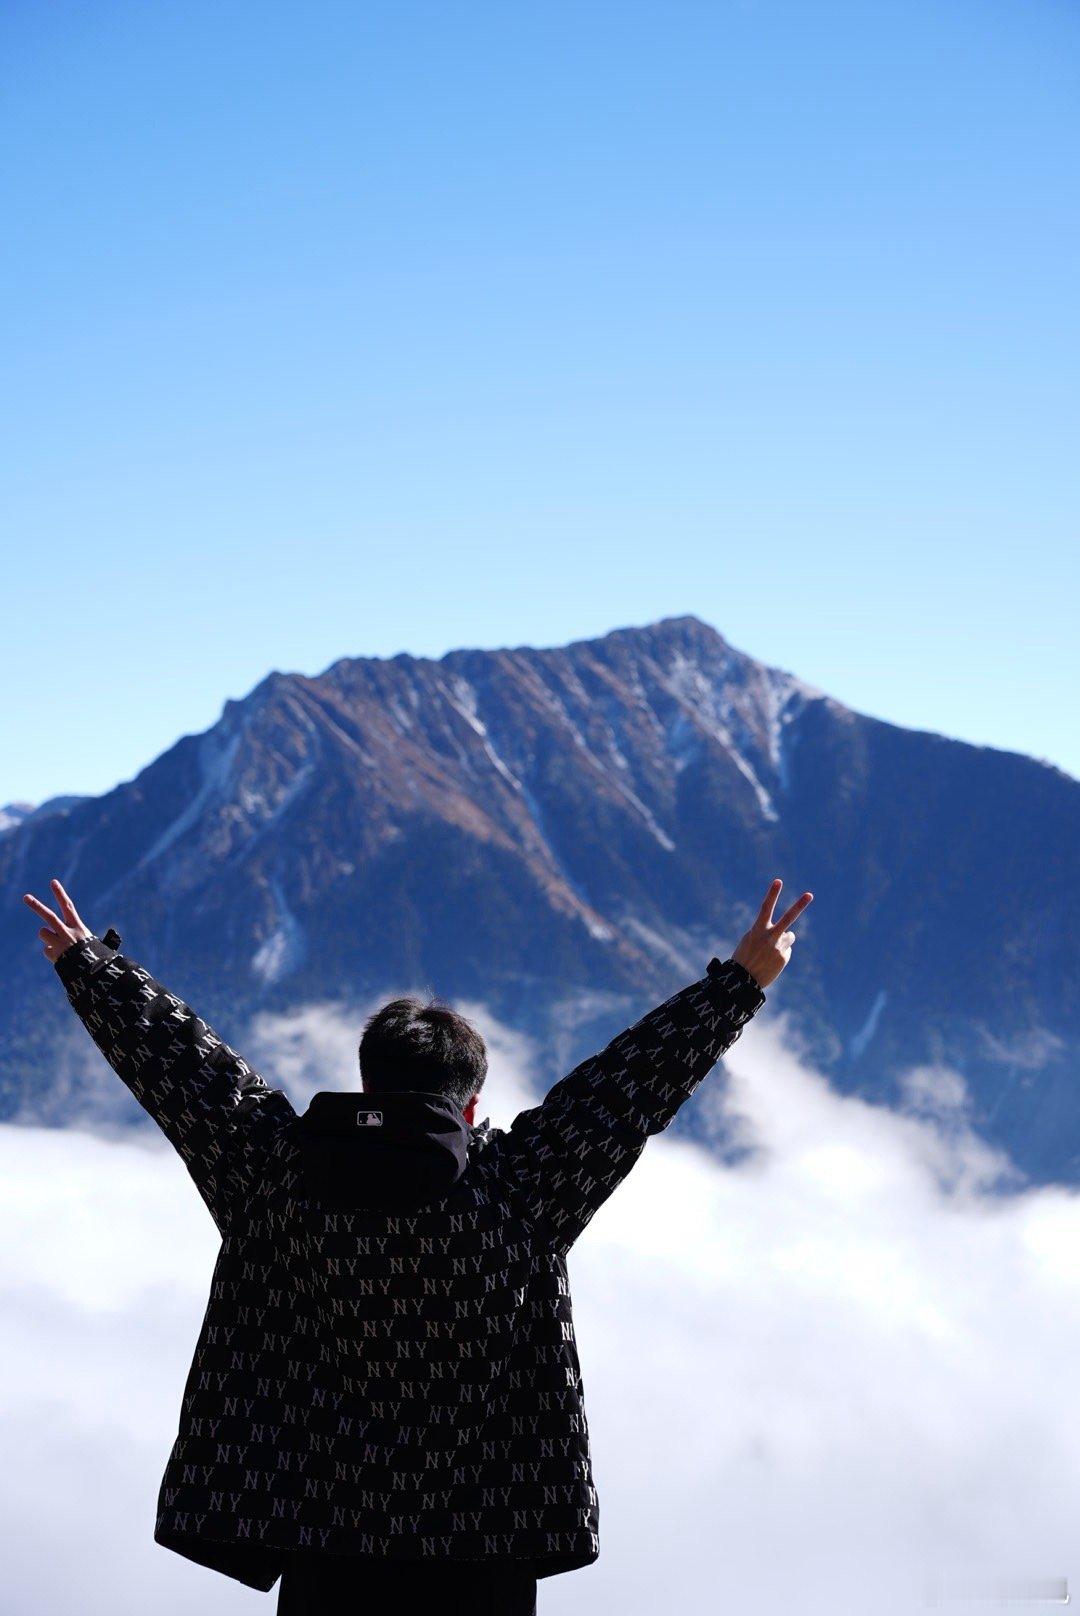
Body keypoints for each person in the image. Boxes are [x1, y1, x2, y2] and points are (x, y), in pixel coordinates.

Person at [24, 874, 811, 1612]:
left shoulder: (273, 1175)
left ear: (367, 1087)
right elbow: (627, 1091)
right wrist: (739, 982)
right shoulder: (520, 1192)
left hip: (319, 1542)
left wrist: (93, 970)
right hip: (486, 1550)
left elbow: (186, 1074)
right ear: (470, 1109)